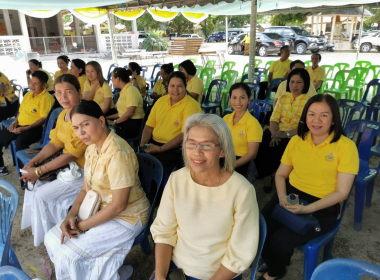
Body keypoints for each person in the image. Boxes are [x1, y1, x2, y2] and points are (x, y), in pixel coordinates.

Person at [44, 100, 150, 279]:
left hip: (128, 216)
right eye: (76, 127)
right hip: (101, 207)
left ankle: (104, 273)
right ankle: (108, 272)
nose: (81, 132)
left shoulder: (117, 152)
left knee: (70, 254)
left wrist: (82, 226)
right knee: (52, 239)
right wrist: (71, 215)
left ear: (101, 121)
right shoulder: (92, 148)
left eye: (85, 124)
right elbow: (85, 190)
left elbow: (119, 205)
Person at [258, 94, 358, 280]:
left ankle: (274, 272)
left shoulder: (346, 147)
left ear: (334, 119)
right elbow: (280, 174)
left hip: (322, 205)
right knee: (258, 228)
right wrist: (281, 198)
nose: (316, 120)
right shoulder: (297, 140)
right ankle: (275, 261)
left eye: (324, 115)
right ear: (305, 117)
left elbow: (342, 193)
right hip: (290, 194)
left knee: (280, 241)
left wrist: (307, 209)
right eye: (312, 114)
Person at [150, 113, 259, 280]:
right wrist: (160, 276)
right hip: (176, 269)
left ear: (222, 150)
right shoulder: (176, 179)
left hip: (217, 275)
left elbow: (239, 254)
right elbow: (164, 232)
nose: (197, 152)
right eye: (191, 144)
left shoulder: (242, 191)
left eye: (206, 145)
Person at [20, 74, 87, 247]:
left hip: (84, 172)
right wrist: (34, 163)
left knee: (42, 195)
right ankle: (42, 229)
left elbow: (72, 153)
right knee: (33, 184)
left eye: (68, 92)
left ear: (79, 92)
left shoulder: (84, 116)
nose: (63, 97)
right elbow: (55, 142)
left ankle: (57, 235)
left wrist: (40, 171)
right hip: (68, 167)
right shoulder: (63, 114)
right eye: (58, 93)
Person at [254, 68, 311, 193]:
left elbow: (305, 126)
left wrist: (285, 134)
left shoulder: (309, 102)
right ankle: (267, 175)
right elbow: (274, 118)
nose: (294, 85)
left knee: (279, 149)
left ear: (305, 84)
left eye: (299, 82)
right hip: (276, 131)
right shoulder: (283, 97)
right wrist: (275, 134)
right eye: (292, 82)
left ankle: (269, 174)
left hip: (294, 135)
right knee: (257, 143)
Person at [140, 71, 202, 168]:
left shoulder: (191, 105)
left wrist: (161, 149)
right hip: (155, 143)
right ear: (167, 87)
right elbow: (148, 126)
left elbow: (184, 135)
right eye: (172, 86)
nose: (175, 90)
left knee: (151, 166)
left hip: (176, 149)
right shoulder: (161, 101)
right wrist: (143, 145)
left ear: (185, 87)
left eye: (180, 86)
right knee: (136, 160)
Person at [0, 71, 55, 176]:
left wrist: (26, 128)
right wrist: (15, 122)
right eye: (31, 82)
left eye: (36, 83)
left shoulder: (46, 98)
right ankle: (1, 167)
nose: (32, 85)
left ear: (45, 85)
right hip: (20, 125)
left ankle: (27, 171)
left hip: (36, 128)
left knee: (20, 142)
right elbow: (20, 111)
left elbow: (44, 119)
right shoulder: (28, 94)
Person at [223, 83, 263, 177]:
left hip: (239, 162)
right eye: (234, 97)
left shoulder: (253, 124)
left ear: (249, 99)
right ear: (230, 99)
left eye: (242, 97)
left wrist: (231, 165)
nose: (238, 102)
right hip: (222, 156)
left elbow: (252, 154)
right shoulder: (225, 118)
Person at [107, 68, 144, 140]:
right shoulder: (125, 90)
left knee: (106, 133)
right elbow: (122, 112)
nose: (111, 80)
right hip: (126, 121)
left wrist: (114, 122)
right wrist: (108, 118)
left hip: (133, 124)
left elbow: (130, 112)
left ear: (117, 79)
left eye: (112, 78)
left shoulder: (131, 90)